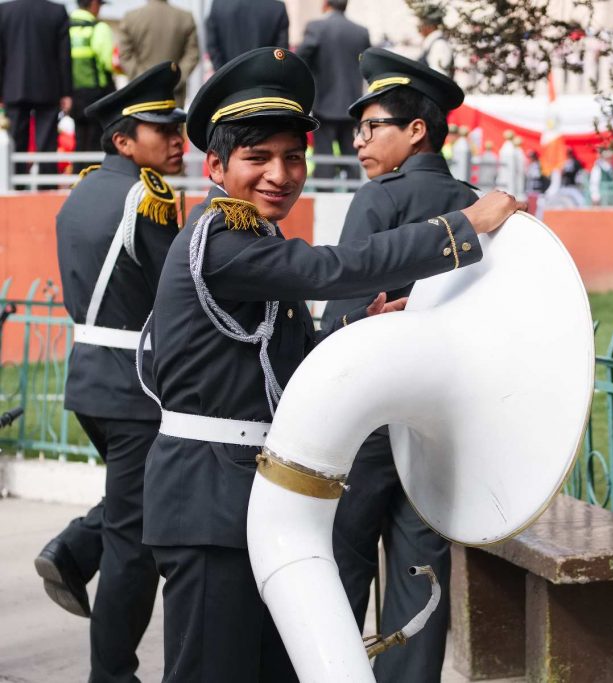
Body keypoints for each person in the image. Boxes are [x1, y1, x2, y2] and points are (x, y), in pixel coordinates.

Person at [141, 46, 517, 681]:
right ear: (214, 165)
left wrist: (359, 334)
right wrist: (462, 227)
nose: (280, 175)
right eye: (257, 159)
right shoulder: (220, 240)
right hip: (207, 502)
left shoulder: (254, 239)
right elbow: (333, 267)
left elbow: (279, 368)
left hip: (252, 499)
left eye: (293, 157)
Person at [318, 47, 479, 682]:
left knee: (341, 571)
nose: (359, 140)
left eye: (373, 126)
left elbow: (343, 321)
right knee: (422, 582)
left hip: (370, 426)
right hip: (440, 423)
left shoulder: (378, 198)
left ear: (417, 130)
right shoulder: (474, 202)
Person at [37, 61, 185, 683]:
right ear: (124, 140)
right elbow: (174, 296)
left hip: (93, 381)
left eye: (178, 127)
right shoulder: (145, 199)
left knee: (132, 509)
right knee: (135, 548)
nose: (178, 139)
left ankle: (72, 548)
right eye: (163, 130)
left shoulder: (84, 190)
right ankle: (113, 676)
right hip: (136, 387)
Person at [297, 0, 371, 182]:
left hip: (324, 103)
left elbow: (300, 59)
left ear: (325, 4)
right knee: (352, 156)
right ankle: (353, 194)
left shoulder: (316, 27)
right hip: (352, 104)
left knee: (324, 160)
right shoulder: (360, 32)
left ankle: (324, 199)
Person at [0, 0, 72, 181]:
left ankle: (16, 186)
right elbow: (64, 56)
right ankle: (46, 186)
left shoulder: (4, 10)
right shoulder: (57, 11)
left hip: (13, 86)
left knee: (16, 141)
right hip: (48, 87)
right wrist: (66, 92)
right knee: (47, 143)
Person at [118, 0, 199, 107]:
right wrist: (176, 79)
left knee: (142, 124)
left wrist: (143, 81)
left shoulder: (130, 18)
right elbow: (192, 55)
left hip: (141, 96)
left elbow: (125, 55)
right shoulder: (185, 18)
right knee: (173, 123)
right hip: (173, 96)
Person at [69, 0, 115, 164]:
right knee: (96, 139)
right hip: (97, 93)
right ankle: (93, 177)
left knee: (79, 139)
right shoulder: (99, 28)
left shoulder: (66, 27)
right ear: (94, 4)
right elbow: (107, 62)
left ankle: (78, 176)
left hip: (73, 93)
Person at [206, 0, 289, 70]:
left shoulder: (219, 4)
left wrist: (222, 73)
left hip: (227, 80)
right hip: (263, 82)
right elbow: (280, 53)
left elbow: (212, 46)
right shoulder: (277, 8)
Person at [415, 4, 453, 77]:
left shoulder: (439, 45)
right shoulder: (433, 44)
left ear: (430, 27)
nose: (419, 30)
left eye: (421, 25)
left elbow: (438, 78)